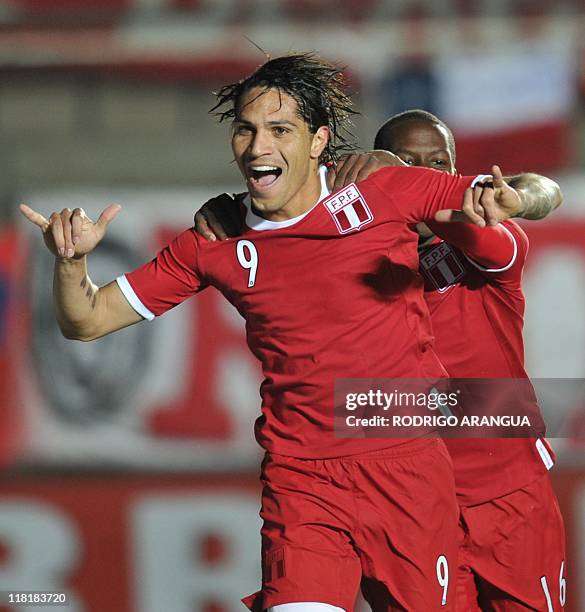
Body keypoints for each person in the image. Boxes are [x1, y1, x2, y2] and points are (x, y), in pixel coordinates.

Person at [21, 56, 520, 611]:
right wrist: (70, 261)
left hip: (405, 470)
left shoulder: (382, 190)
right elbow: (86, 321)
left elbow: (523, 194)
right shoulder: (215, 240)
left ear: (317, 141)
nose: (259, 147)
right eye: (246, 129)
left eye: (280, 129)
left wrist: (505, 201)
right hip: (302, 480)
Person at [195, 109, 567, 611]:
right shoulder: (342, 258)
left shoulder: (487, 246)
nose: (423, 173)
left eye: (437, 164)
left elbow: (543, 192)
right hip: (404, 504)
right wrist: (236, 214)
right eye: (406, 162)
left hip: (506, 493)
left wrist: (496, 194)